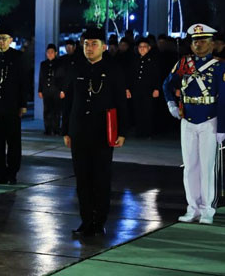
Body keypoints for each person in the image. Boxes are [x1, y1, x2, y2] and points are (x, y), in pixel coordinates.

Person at [62, 27, 128, 236]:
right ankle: (85, 220)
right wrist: (66, 130)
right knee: (82, 178)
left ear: (104, 47)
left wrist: (122, 131)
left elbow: (121, 103)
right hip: (79, 130)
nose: (89, 48)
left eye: (93, 44)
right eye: (86, 44)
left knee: (100, 177)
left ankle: (99, 221)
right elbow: (68, 101)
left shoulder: (114, 69)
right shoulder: (76, 67)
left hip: (102, 132)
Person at [163, 23, 225, 225]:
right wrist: (172, 104)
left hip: (210, 119)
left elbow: (224, 97)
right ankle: (193, 207)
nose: (198, 44)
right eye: (195, 41)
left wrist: (222, 127)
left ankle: (208, 208)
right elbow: (167, 84)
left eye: (203, 41)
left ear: (212, 44)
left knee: (207, 166)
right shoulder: (184, 64)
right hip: (187, 118)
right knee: (189, 166)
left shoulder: (219, 66)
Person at [0, 26, 27, 185]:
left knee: (13, 143)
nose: (1, 42)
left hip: (12, 106)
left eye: (4, 38)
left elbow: (23, 82)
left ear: (11, 40)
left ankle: (12, 173)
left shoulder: (18, 57)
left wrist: (23, 104)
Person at [126, 37, 161, 138]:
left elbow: (157, 75)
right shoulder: (134, 60)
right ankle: (139, 131)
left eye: (144, 47)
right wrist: (127, 89)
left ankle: (148, 132)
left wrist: (156, 88)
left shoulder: (153, 60)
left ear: (149, 48)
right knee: (137, 110)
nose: (142, 49)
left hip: (149, 90)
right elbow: (129, 76)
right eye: (140, 47)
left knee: (148, 111)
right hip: (136, 90)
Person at [38, 43, 62, 135]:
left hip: (56, 90)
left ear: (55, 53)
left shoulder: (59, 63)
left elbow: (62, 78)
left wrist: (62, 90)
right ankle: (48, 129)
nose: (50, 54)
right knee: (47, 110)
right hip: (46, 90)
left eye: (52, 52)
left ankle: (56, 128)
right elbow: (41, 78)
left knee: (56, 110)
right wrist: (40, 90)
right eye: (48, 52)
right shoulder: (43, 64)